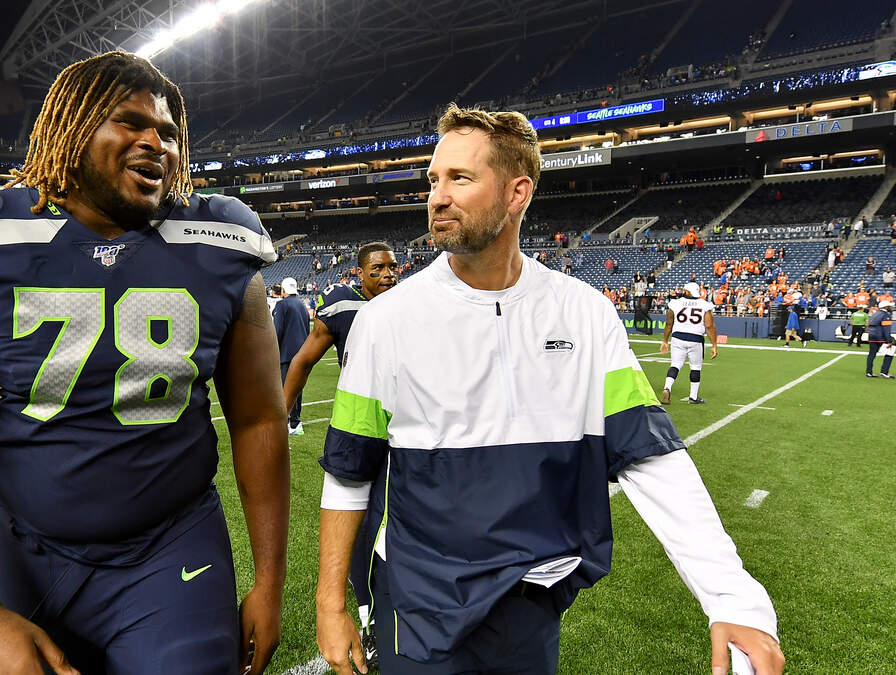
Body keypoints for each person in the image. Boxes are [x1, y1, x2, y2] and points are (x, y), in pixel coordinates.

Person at [315, 104, 782, 675]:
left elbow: (648, 454)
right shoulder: (385, 321)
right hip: (419, 595)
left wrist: (730, 597)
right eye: (434, 180)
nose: (437, 197)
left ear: (518, 193)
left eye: (460, 178)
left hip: (532, 598)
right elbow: (350, 471)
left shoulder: (585, 313)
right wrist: (330, 603)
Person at [0, 51, 289, 675]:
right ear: (71, 131)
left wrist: (269, 581)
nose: (157, 142)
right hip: (26, 547)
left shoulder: (220, 239)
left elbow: (261, 418)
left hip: (172, 551)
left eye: (169, 132)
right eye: (130, 122)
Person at [280, 241, 399, 663]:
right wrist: (280, 416)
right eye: (377, 269)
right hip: (358, 429)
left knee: (396, 521)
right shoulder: (342, 306)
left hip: (403, 431)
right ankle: (367, 618)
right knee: (361, 526)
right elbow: (301, 361)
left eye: (392, 267)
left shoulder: (409, 304)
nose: (387, 275)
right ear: (360, 273)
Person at [660, 282, 719, 404]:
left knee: (675, 364)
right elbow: (709, 326)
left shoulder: (675, 303)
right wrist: (714, 345)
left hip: (677, 337)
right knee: (695, 367)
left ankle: (667, 388)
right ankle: (693, 396)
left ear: (686, 291)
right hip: (696, 338)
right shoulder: (704, 304)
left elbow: (669, 323)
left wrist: (665, 340)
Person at [274, 276, 311, 435]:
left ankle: (293, 424)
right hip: (302, 353)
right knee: (297, 389)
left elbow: (277, 331)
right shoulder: (302, 305)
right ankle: (295, 421)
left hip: (287, 354)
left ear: (283, 290)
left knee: (287, 389)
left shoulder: (282, 305)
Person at [865, 299, 894, 378]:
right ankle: (884, 371)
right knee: (890, 353)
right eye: (889, 306)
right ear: (886, 307)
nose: (890, 307)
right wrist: (889, 341)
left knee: (871, 354)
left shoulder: (874, 314)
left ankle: (869, 372)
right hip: (881, 337)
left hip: (871, 336)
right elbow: (886, 329)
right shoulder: (886, 315)